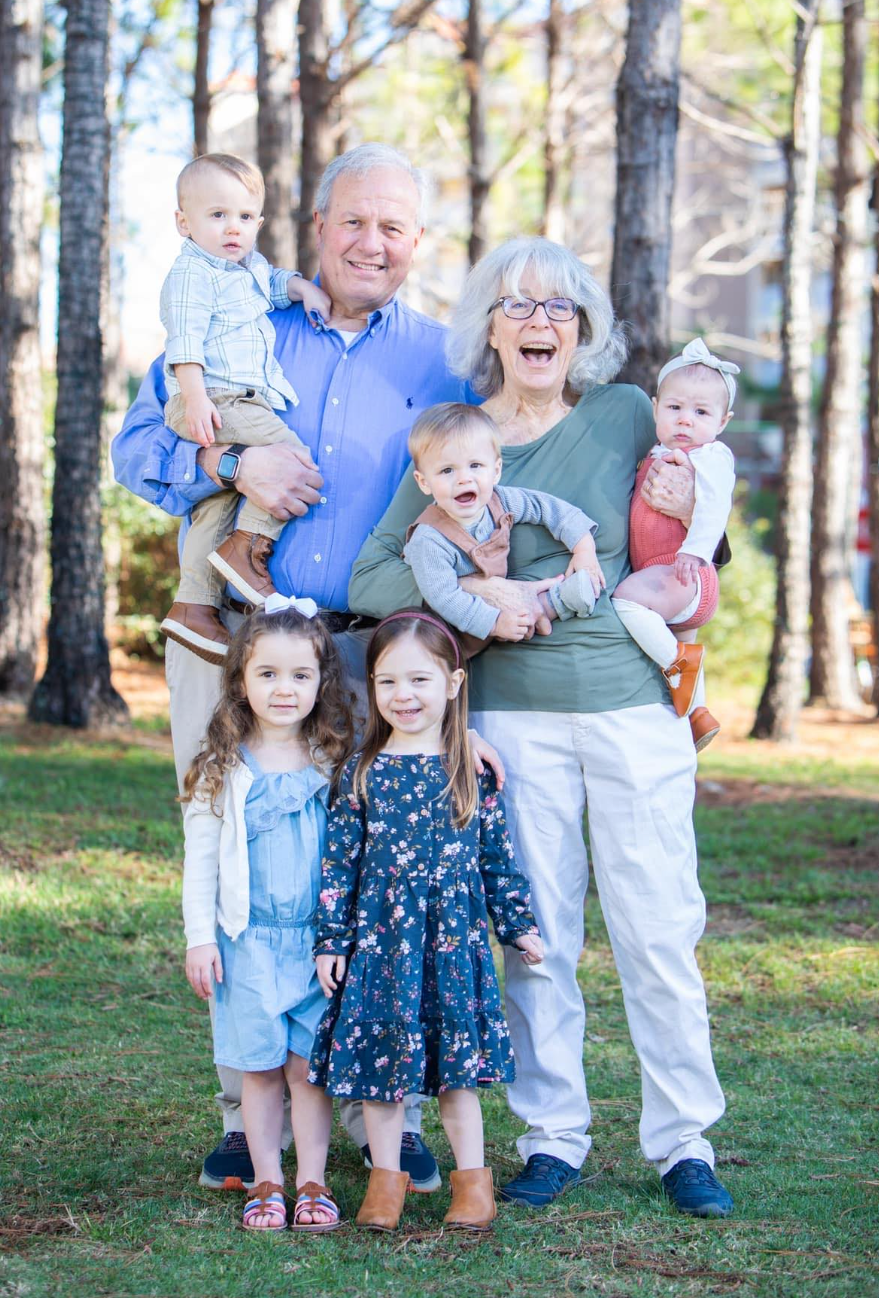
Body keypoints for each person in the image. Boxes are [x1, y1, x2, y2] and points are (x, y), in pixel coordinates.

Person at [113, 143, 498, 1195]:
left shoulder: (442, 361)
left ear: (415, 244)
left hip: (381, 650)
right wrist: (236, 461)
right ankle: (250, 1116)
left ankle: (389, 1115)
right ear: (318, 228)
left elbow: (486, 487)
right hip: (245, 639)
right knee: (244, 860)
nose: (372, 243)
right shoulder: (241, 316)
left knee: (382, 869)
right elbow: (137, 444)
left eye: (394, 228)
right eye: (353, 222)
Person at [349, 236, 735, 1219]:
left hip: (630, 709)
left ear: (583, 329)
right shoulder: (457, 437)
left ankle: (683, 1140)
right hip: (512, 724)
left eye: (559, 307)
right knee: (536, 937)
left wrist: (696, 520)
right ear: (487, 325)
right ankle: (551, 1136)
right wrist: (476, 584)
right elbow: (374, 576)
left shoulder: (622, 414)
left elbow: (698, 528)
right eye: (518, 305)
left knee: (659, 928)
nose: (539, 322)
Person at [309, 611, 543, 1232]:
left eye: (418, 680)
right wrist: (332, 941)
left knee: (456, 1076)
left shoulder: (469, 770)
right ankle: (387, 1182)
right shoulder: (361, 772)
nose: (403, 696)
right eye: (387, 683)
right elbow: (338, 867)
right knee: (384, 1071)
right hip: (382, 945)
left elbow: (497, 857)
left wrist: (518, 923)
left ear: (453, 684)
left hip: (452, 947)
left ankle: (472, 1184)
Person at [181, 597, 355, 1231]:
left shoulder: (334, 759)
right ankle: (266, 1181)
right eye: (268, 674)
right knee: (258, 1069)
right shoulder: (222, 767)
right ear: (242, 680)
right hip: (245, 941)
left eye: (301, 676)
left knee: (308, 1071)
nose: (285, 689)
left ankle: (312, 1180)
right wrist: (201, 938)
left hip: (317, 945)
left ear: (321, 681)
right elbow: (200, 860)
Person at [160, 153, 331, 656]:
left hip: (221, 399)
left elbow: (272, 283)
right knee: (292, 459)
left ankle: (193, 604)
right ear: (183, 222)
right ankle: (247, 549)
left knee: (215, 502)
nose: (232, 228)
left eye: (244, 217)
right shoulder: (193, 274)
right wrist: (193, 398)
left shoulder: (243, 268)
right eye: (217, 215)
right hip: (215, 397)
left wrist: (301, 287)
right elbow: (184, 342)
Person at [612, 338, 738, 752]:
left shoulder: (710, 456)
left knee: (625, 601)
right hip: (668, 572)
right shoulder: (658, 451)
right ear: (655, 408)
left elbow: (716, 506)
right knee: (685, 641)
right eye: (675, 408)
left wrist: (695, 551)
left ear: (723, 421)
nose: (686, 421)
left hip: (682, 570)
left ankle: (677, 670)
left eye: (701, 412)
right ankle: (698, 714)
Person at [403, 401, 602, 652]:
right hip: (452, 630)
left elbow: (546, 507)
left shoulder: (500, 501)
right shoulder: (429, 540)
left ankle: (550, 603)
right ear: (424, 482)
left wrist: (583, 546)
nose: (464, 478)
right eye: (446, 470)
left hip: (500, 606)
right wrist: (495, 622)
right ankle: (548, 607)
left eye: (475, 465)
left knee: (523, 612)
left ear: (496, 470)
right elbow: (445, 598)